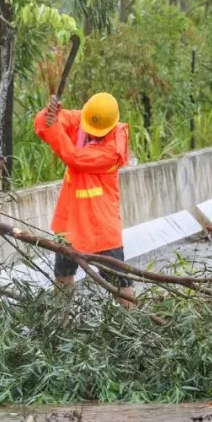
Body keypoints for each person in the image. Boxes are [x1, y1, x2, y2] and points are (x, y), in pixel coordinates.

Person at [34, 92, 135, 309]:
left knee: (120, 283)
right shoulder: (85, 120)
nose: (91, 133)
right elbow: (44, 126)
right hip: (70, 222)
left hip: (100, 226)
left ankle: (133, 322)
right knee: (63, 275)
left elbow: (74, 158)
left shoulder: (112, 149)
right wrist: (50, 113)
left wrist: (53, 127)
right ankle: (63, 321)